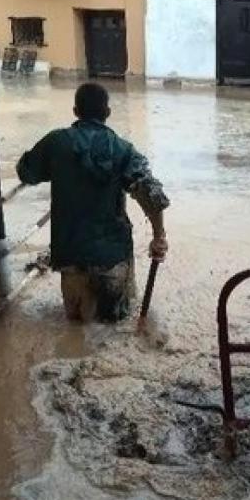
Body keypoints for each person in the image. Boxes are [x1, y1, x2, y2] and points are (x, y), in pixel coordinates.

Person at [17, 82, 169, 323]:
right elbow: (151, 193)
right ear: (107, 113)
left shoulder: (56, 143)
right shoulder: (123, 149)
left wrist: (59, 168)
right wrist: (159, 236)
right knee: (114, 328)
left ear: (75, 111)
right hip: (113, 257)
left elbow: (26, 172)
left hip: (70, 256)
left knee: (76, 328)